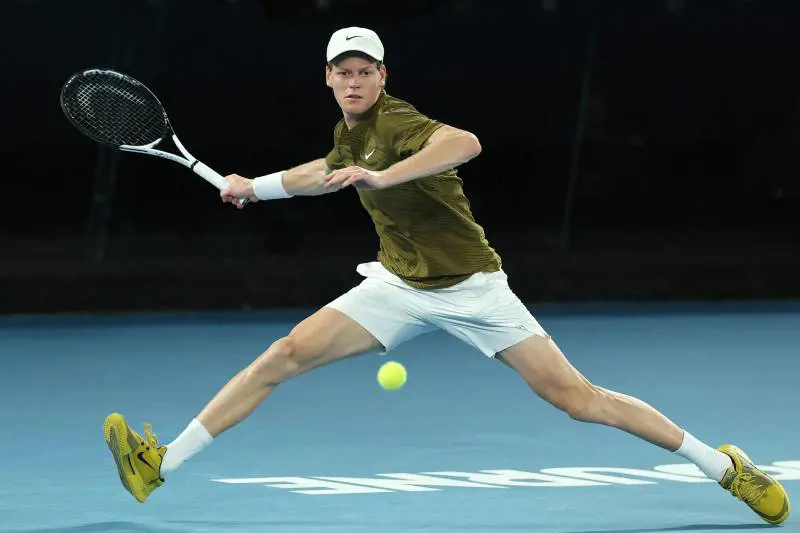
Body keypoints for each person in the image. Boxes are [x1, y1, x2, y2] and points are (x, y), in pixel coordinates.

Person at [103, 27, 790, 524]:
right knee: (281, 355)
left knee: (579, 400)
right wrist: (255, 187)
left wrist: (384, 176)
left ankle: (724, 465)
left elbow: (465, 143)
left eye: (364, 71)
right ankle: (158, 464)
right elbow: (324, 171)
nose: (353, 81)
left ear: (382, 76)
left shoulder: (400, 124)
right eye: (342, 71)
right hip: (398, 287)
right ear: (328, 78)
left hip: (473, 289)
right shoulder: (348, 133)